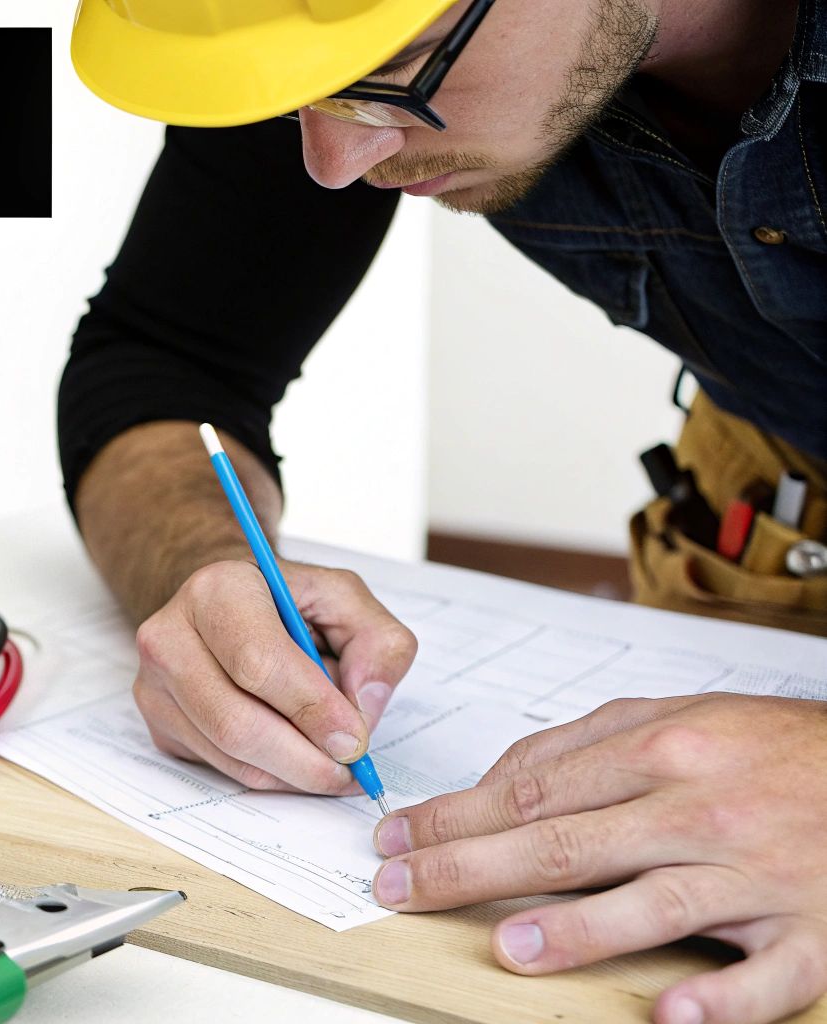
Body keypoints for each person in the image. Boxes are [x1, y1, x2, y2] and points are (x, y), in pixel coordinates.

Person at [58, 1, 827, 1022]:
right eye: (301, 93)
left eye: (395, 69)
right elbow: (167, 358)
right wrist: (203, 567)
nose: (331, 160)